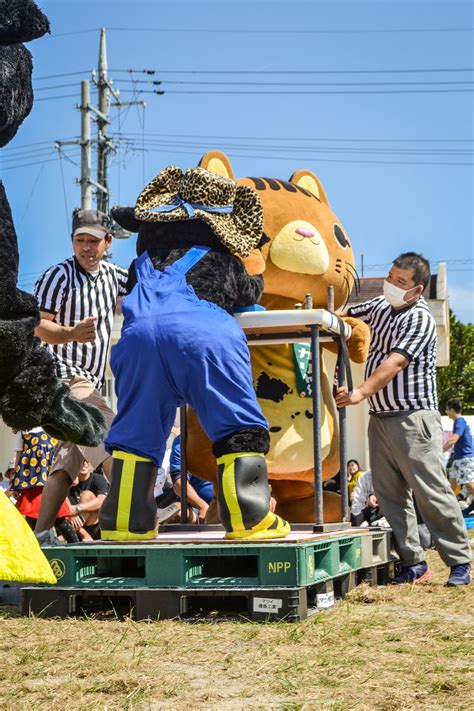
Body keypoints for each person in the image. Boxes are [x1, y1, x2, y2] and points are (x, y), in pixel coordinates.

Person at [336, 252, 471, 586]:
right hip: (380, 417)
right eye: (391, 277)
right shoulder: (380, 305)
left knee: (431, 490)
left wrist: (359, 392)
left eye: (401, 282)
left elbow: (394, 363)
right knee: (389, 492)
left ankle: (459, 561)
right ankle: (413, 562)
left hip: (414, 417)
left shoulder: (420, 318)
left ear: (418, 290)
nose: (392, 285)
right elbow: (346, 315)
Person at [33, 208, 128, 545]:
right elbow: (38, 325)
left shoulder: (116, 277)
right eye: (79, 241)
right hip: (61, 378)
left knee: (67, 460)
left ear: (108, 242)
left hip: (88, 378)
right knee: (107, 429)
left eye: (93, 241)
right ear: (72, 241)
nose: (86, 248)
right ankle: (130, 513)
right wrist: (71, 333)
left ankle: (41, 533)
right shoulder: (58, 275)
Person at [11, 428, 78, 542]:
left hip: (50, 479)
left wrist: (71, 472)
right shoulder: (23, 431)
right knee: (32, 517)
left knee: (58, 518)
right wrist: (16, 482)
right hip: (31, 481)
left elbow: (65, 452)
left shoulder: (52, 426)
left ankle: (76, 548)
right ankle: (35, 552)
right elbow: (19, 456)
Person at [169, 434, 215, 523]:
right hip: (197, 507)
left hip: (230, 503)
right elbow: (178, 483)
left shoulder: (228, 433)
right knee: (176, 513)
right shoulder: (182, 441)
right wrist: (202, 506)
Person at [444, 399, 474, 517]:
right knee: (452, 485)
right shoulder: (457, 422)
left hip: (465, 459)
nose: (447, 412)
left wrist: (440, 451)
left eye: (447, 410)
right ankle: (450, 509)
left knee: (469, 486)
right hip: (458, 459)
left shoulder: (460, 422)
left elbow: (454, 439)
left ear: (452, 409)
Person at [68, 460, 110, 540]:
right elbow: (66, 509)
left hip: (94, 525)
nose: (84, 464)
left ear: (90, 464)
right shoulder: (68, 484)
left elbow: (102, 501)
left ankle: (64, 536)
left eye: (87, 461)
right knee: (66, 512)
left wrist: (78, 508)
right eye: (81, 461)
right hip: (77, 528)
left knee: (87, 495)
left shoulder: (97, 479)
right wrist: (83, 533)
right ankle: (83, 535)